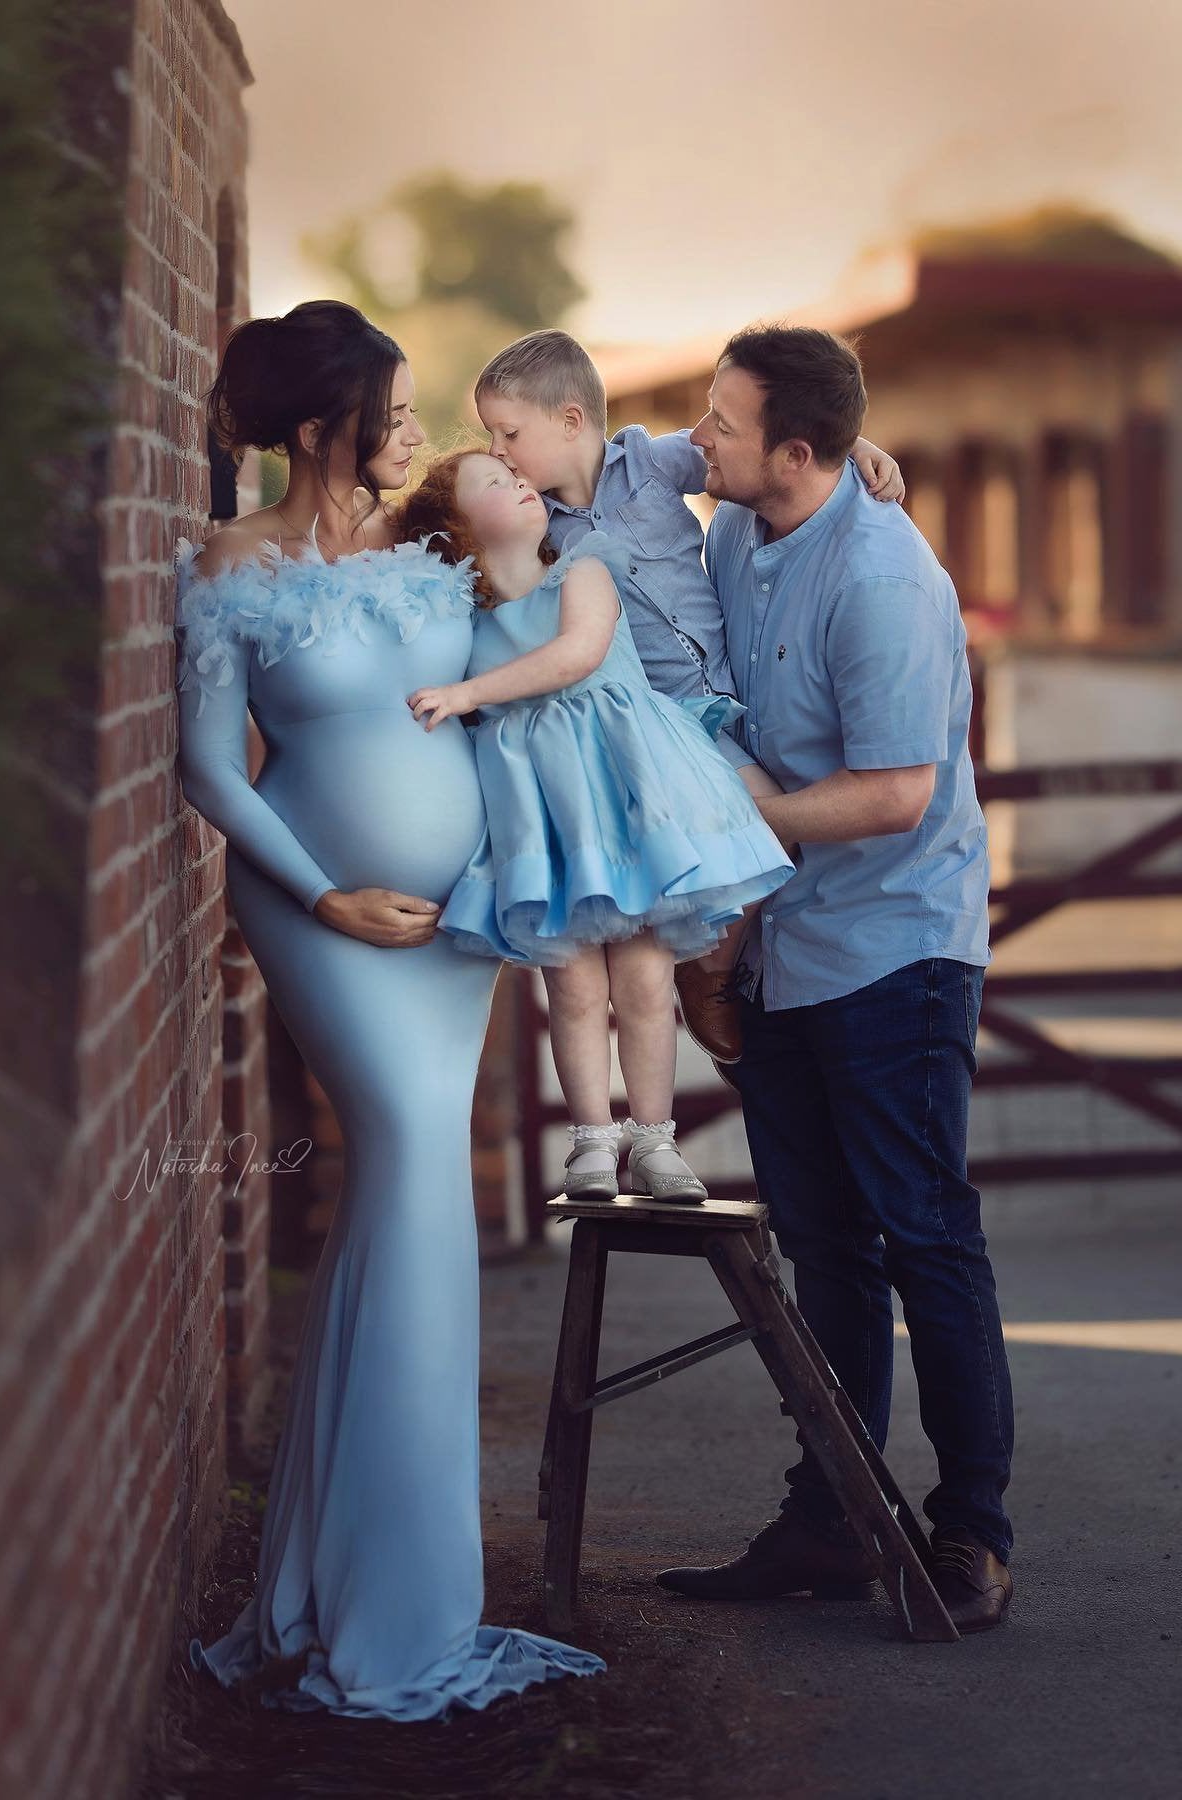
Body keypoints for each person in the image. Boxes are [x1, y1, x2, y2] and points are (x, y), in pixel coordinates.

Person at [174, 299, 606, 1717]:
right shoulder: (228, 566)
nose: (415, 427)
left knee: (398, 1220)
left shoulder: (433, 537)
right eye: (393, 404)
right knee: (417, 1179)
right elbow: (212, 777)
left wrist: (864, 470)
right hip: (327, 925)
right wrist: (323, 899)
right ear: (319, 426)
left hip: (458, 925)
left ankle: (329, 1579)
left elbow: (597, 474)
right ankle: (400, 1614)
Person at [652, 324, 1015, 1634]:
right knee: (824, 1252)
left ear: (795, 452)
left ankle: (972, 1536)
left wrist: (727, 809)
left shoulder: (882, 578)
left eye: (727, 422)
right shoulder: (736, 532)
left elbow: (896, 795)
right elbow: (610, 460)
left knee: (925, 1240)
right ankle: (835, 1520)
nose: (704, 435)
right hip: (791, 946)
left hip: (897, 947)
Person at [471, 329, 906, 1063]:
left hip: (718, 701)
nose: (499, 450)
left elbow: (770, 447)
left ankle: (707, 957)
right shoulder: (533, 527)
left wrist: (857, 448)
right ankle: (700, 969)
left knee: (767, 831)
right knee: (740, 822)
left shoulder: (649, 460)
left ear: (573, 421)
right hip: (651, 717)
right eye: (491, 435)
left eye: (509, 432)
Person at [396, 451, 795, 1202]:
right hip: (549, 817)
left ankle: (653, 1139)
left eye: (516, 470)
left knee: (645, 979)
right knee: (572, 986)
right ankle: (590, 1140)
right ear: (457, 526)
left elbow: (576, 657)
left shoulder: (583, 572)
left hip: (625, 801)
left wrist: (468, 692)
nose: (520, 479)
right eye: (493, 480)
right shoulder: (463, 623)